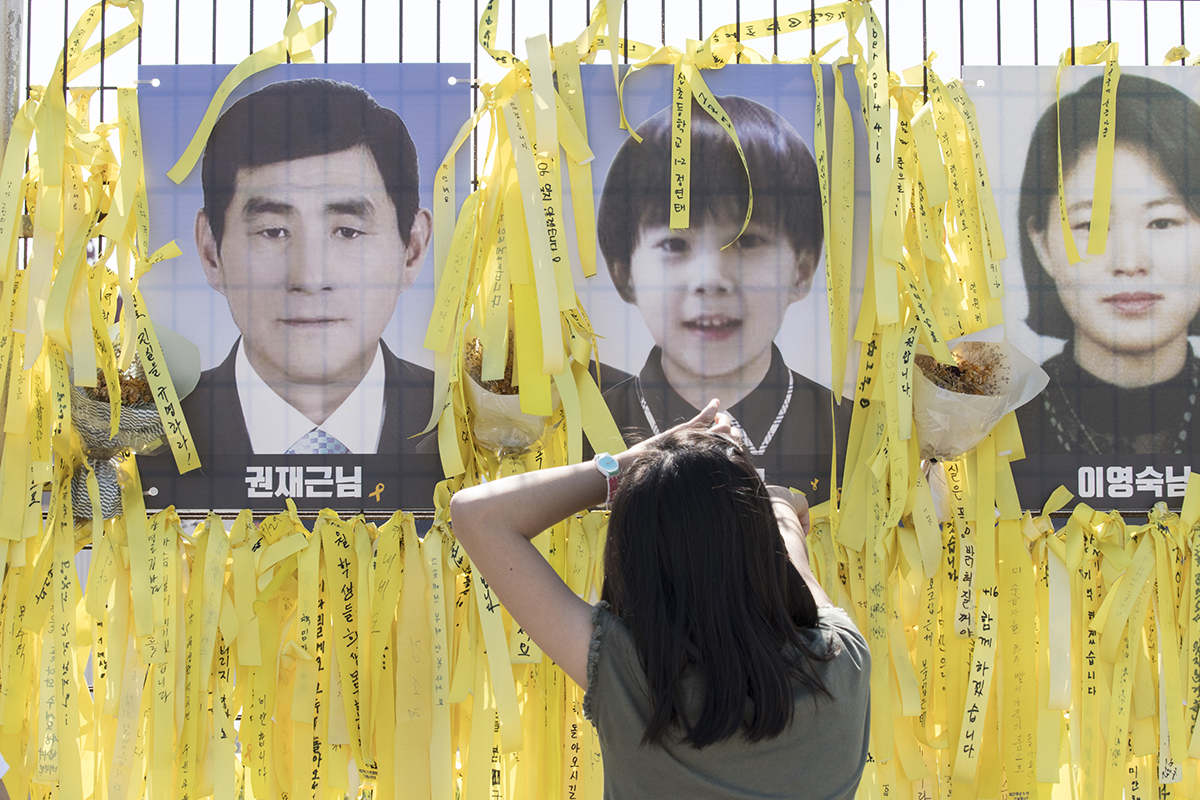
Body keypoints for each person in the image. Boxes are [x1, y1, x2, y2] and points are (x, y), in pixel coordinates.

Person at [450, 400, 870, 799]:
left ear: (633, 559)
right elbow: (791, 554)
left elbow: (477, 515)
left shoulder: (630, 672)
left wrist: (629, 466)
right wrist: (774, 501)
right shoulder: (843, 659)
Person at [597, 95, 850, 493]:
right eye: (674, 246)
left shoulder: (851, 434)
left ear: (803, 268)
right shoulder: (585, 435)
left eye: (747, 241)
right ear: (623, 271)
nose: (711, 278)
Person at [183, 77, 434, 458]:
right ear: (210, 251)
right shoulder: (150, 433)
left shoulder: (466, 424)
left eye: (348, 232)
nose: (309, 278)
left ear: (412, 249)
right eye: (273, 231)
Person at [1016, 74, 1200, 455]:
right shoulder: (989, 429)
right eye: (1091, 226)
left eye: (1162, 222)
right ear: (1043, 245)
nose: (1130, 263)